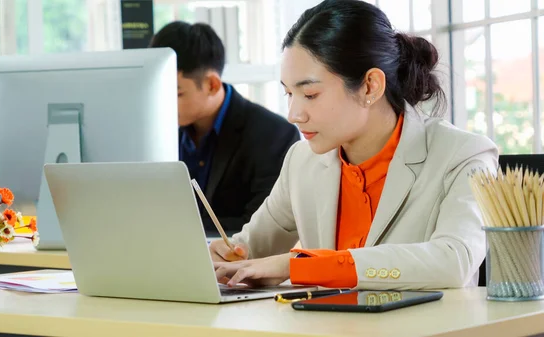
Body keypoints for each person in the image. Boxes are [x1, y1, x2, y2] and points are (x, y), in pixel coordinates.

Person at [210, 0, 498, 290]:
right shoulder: (302, 160)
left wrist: (301, 266)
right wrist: (221, 257)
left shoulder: (464, 156)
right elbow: (248, 251)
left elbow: (453, 262)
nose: (294, 114)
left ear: (370, 86)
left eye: (310, 94)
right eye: (288, 94)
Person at [149, 22, 300, 236]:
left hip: (237, 262)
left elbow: (261, 228)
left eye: (176, 93)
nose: (162, 104)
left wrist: (171, 227)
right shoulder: (158, 133)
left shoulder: (274, 135)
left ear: (212, 84)